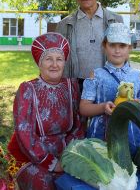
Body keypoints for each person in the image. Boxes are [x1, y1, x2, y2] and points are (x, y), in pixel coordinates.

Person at [7, 33, 84, 190]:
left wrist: (68, 156)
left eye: (59, 59)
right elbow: (24, 133)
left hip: (65, 153)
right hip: (30, 156)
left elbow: (79, 125)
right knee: (44, 183)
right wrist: (51, 162)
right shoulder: (27, 89)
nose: (54, 64)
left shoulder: (72, 86)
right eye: (48, 59)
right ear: (39, 63)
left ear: (64, 62)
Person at [79, 23, 140, 156]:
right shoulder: (96, 75)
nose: (117, 51)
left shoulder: (137, 75)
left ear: (129, 48)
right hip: (101, 138)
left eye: (122, 46)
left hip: (133, 137)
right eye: (112, 45)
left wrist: (136, 105)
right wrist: (103, 107)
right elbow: (84, 108)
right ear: (104, 46)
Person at [56, 0, 123, 91]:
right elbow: (57, 59)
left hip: (109, 86)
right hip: (75, 87)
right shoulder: (64, 25)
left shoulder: (116, 21)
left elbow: (124, 56)